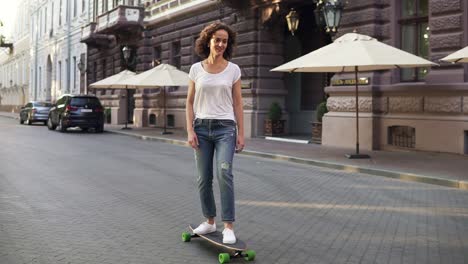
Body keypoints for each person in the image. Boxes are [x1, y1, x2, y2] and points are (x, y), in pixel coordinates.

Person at [185, 21, 244, 244]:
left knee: (224, 174)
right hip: (201, 128)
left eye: (225, 41)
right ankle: (209, 222)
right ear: (208, 40)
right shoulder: (195, 69)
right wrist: (190, 130)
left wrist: (241, 133)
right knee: (203, 178)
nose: (220, 44)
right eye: (217, 39)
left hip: (225, 129)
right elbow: (189, 102)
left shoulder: (233, 69)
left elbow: (238, 104)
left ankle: (228, 225)